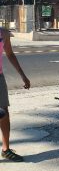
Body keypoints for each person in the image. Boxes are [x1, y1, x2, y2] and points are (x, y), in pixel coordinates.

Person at [0, 28, 30, 162]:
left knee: (4, 112)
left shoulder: (3, 33)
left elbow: (10, 54)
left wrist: (23, 75)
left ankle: (6, 149)